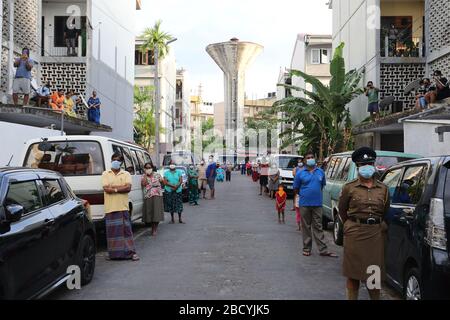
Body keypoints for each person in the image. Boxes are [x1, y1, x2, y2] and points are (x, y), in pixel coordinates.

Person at [338, 147, 390, 300]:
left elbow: (385, 211)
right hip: (354, 233)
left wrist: (380, 226)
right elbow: (342, 210)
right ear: (357, 167)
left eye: (369, 164)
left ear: (373, 165)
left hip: (375, 235)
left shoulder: (383, 189)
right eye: (362, 165)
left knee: (373, 276)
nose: (366, 167)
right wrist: (349, 225)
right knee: (353, 276)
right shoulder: (349, 188)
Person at [293, 152, 337, 258]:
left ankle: (323, 250)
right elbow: (296, 188)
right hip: (304, 204)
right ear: (304, 160)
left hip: (317, 204)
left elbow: (321, 186)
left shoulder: (320, 172)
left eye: (312, 157)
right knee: (306, 227)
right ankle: (306, 249)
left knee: (318, 226)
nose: (310, 159)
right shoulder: (300, 173)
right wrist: (305, 195)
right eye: (308, 158)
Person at [102, 153, 139, 261]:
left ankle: (131, 253)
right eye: (114, 159)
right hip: (110, 207)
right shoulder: (105, 173)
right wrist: (120, 188)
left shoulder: (126, 173)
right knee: (112, 232)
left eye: (118, 160)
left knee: (126, 232)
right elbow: (106, 189)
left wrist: (113, 188)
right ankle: (114, 254)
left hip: (123, 207)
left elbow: (128, 188)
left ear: (121, 162)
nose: (115, 161)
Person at [141, 163, 164, 236]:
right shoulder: (143, 176)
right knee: (150, 213)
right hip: (148, 196)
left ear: (152, 168)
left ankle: (154, 229)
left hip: (157, 195)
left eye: (149, 167)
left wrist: (160, 185)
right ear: (145, 169)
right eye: (146, 168)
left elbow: (163, 182)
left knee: (156, 213)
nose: (148, 169)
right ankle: (152, 228)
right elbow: (143, 184)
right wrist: (145, 174)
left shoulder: (157, 175)